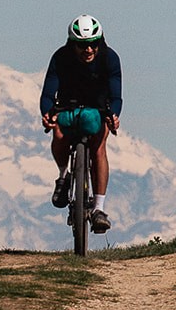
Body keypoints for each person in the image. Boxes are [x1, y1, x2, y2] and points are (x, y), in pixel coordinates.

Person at [40, 15, 122, 233]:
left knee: (98, 149)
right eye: (83, 45)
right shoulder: (60, 58)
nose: (88, 50)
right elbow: (48, 92)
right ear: (72, 44)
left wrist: (114, 115)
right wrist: (47, 114)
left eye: (93, 44)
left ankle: (99, 209)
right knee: (58, 133)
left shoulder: (110, 58)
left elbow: (116, 96)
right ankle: (63, 176)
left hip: (99, 107)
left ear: (100, 42)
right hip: (68, 105)